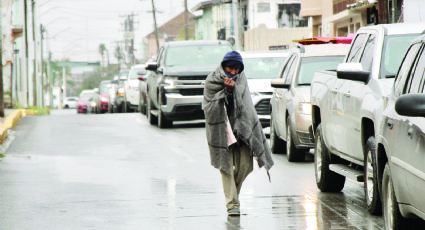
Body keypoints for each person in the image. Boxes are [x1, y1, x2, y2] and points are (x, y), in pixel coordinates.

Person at [202, 51, 274, 216]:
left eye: (236, 69)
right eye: (230, 68)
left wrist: (232, 91)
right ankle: (232, 204)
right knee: (226, 168)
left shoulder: (241, 79)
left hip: (242, 130)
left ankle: (232, 193)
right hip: (222, 132)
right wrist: (226, 92)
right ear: (223, 65)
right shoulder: (211, 81)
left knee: (246, 167)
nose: (233, 72)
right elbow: (208, 107)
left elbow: (246, 105)